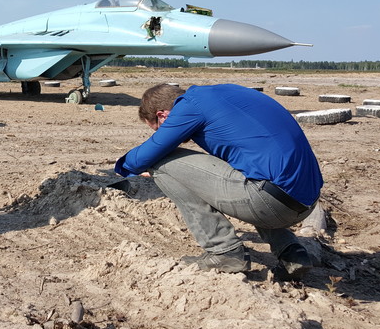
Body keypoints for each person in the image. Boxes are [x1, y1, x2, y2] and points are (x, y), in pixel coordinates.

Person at [115, 83, 323, 280]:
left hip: (270, 202)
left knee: (159, 161)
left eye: (157, 128)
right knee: (248, 170)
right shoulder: (222, 95)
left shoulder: (189, 107)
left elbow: (144, 156)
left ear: (163, 116)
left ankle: (223, 252)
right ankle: (290, 251)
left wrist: (123, 168)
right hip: (306, 202)